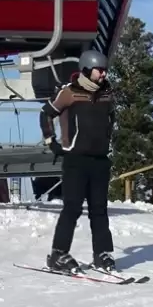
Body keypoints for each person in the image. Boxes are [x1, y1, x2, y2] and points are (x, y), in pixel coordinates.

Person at [39, 50, 117, 274]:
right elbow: (46, 114)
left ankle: (103, 254)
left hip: (100, 160)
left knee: (99, 210)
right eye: (99, 70)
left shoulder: (107, 94)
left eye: (105, 71)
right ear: (86, 69)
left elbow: (111, 121)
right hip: (76, 159)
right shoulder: (69, 93)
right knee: (72, 208)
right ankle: (58, 254)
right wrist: (50, 141)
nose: (103, 75)